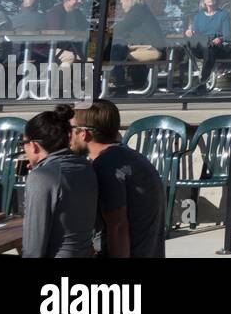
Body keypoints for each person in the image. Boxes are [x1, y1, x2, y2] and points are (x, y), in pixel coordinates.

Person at [69, 99, 166, 258]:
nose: (67, 135)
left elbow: (118, 227)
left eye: (70, 129)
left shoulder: (108, 165)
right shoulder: (126, 155)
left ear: (83, 133)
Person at [20, 104, 98, 258]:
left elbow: (33, 246)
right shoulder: (85, 167)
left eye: (23, 144)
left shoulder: (43, 177)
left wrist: (38, 176)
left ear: (34, 145)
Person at [105, 0, 168, 96]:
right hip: (148, 47)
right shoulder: (140, 10)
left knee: (116, 54)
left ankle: (119, 87)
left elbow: (121, 28)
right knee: (117, 50)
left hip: (154, 50)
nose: (120, 3)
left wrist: (108, 29)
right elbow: (126, 29)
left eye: (122, 0)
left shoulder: (137, 11)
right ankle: (118, 84)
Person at [184, 0, 231, 94]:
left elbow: (227, 35)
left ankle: (202, 84)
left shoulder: (223, 14)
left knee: (209, 49)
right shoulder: (199, 15)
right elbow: (194, 32)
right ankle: (200, 83)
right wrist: (189, 32)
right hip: (200, 45)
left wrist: (220, 39)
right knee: (201, 45)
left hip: (215, 46)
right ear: (204, 0)